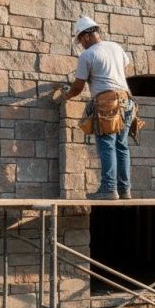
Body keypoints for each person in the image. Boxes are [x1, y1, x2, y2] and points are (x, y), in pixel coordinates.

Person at [62, 16, 135, 200]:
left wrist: (66, 95)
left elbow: (78, 88)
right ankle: (124, 189)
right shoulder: (116, 47)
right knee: (121, 146)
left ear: (86, 36)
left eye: (80, 40)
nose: (80, 44)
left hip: (107, 104)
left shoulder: (88, 55)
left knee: (107, 145)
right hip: (126, 100)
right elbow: (123, 70)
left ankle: (109, 189)